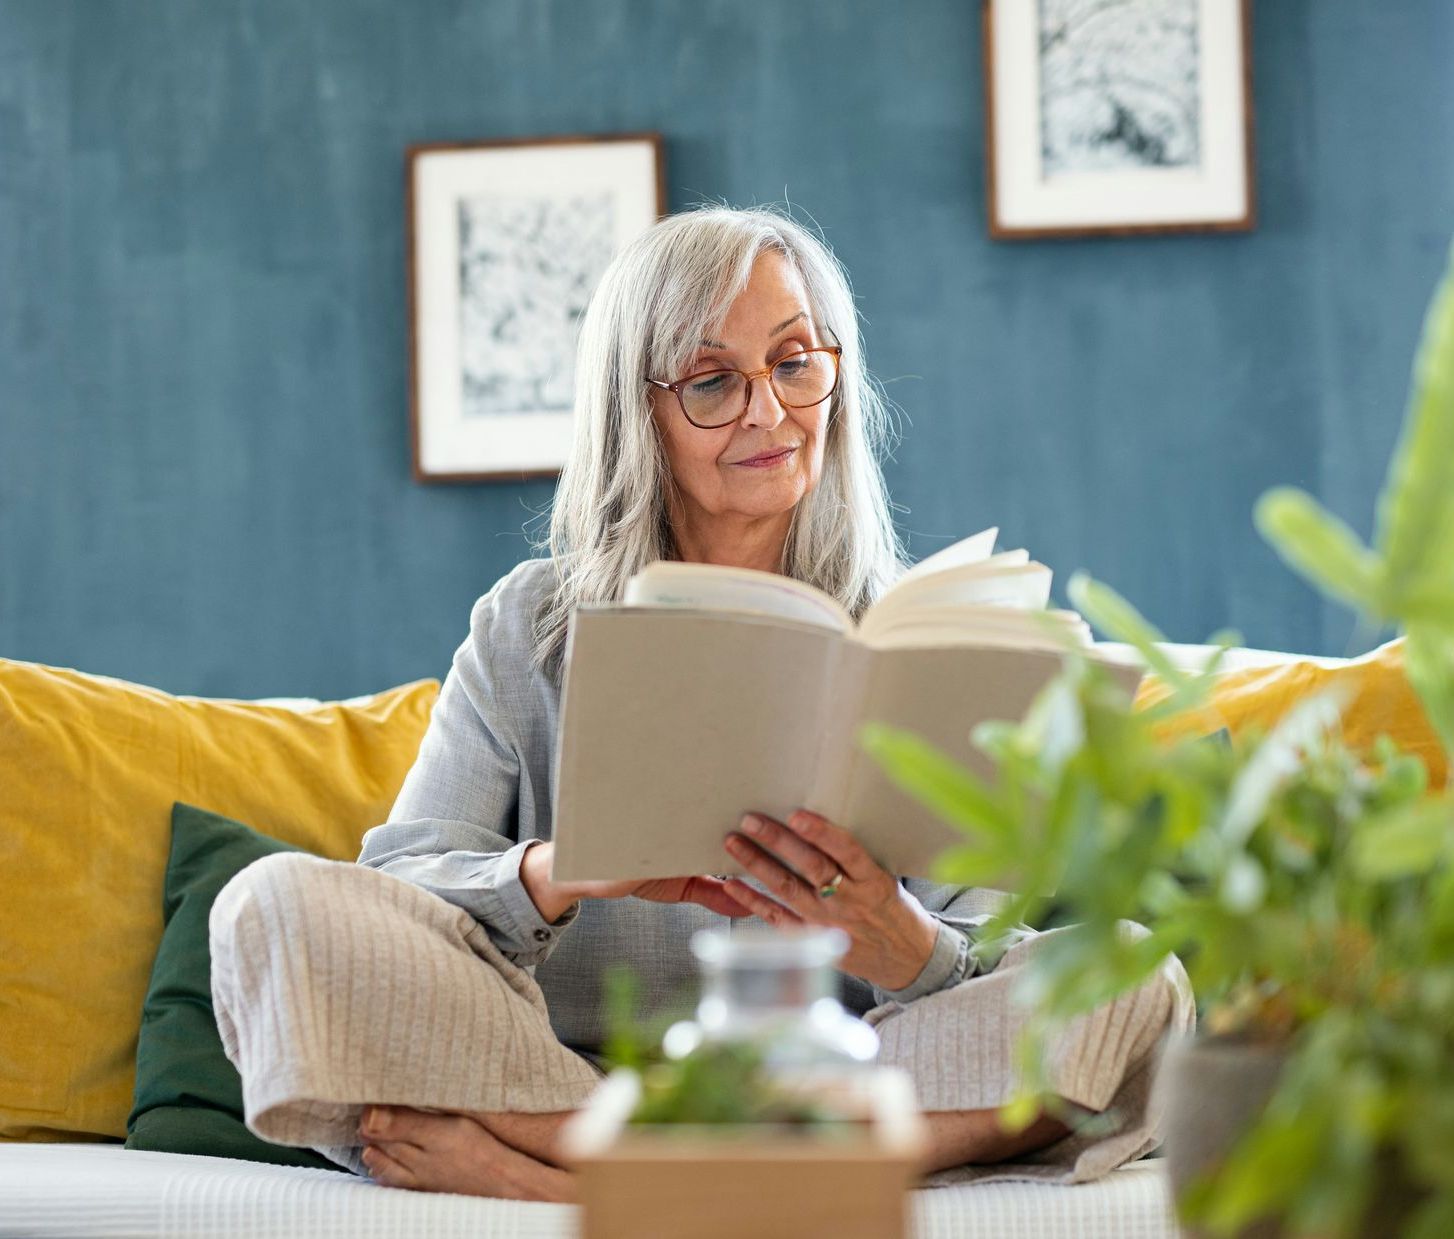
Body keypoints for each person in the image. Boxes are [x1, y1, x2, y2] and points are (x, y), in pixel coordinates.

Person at [209, 204, 1192, 1202]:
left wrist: (903, 946)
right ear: (639, 416)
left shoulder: (918, 640)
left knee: (1134, 980)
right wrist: (561, 873)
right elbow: (401, 885)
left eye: (795, 361)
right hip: (555, 1071)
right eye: (714, 382)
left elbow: (985, 973)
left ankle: (592, 1184)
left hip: (835, 1089)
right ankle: (672, 1168)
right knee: (269, 904)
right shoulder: (531, 624)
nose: (768, 413)